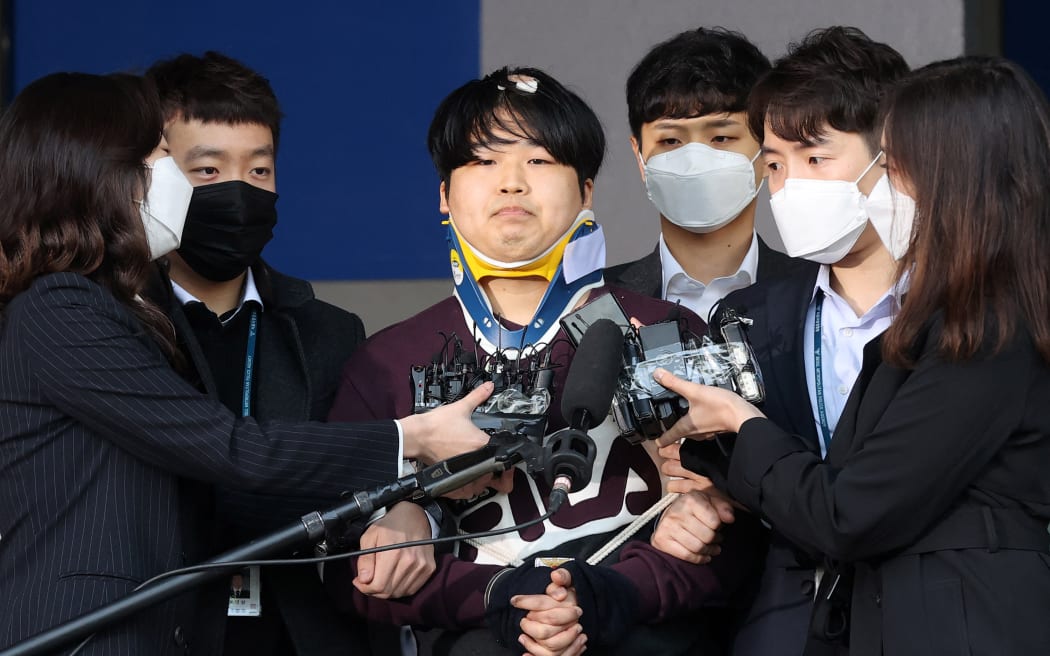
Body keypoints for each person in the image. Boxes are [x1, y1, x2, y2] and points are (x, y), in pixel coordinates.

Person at [0, 72, 493, 656]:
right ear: (99, 172)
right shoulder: (63, 306)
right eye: (164, 160)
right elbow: (227, 449)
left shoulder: (99, 302)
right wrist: (413, 438)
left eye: (258, 168)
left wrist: (410, 503)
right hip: (88, 630)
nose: (173, 184)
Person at [326, 67, 763, 655]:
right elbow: (338, 562)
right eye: (482, 161)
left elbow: (736, 539)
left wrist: (609, 593)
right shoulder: (384, 362)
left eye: (539, 161)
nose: (511, 184)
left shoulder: (666, 331)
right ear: (444, 195)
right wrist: (495, 595)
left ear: (586, 189)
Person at [653, 55, 1050, 655]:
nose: (882, 187)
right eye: (776, 165)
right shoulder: (940, 323)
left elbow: (849, 511)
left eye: (895, 165)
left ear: (959, 177)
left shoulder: (988, 330)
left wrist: (742, 422)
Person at [647, 26, 910, 656]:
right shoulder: (748, 320)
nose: (791, 186)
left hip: (927, 612)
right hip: (786, 625)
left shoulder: (967, 315)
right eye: (775, 164)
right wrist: (696, 501)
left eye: (816, 159)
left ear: (895, 156)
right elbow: (727, 488)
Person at [144, 50, 416, 656]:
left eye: (260, 171)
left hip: (303, 634)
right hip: (159, 630)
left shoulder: (329, 332)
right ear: (153, 175)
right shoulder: (112, 324)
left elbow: (367, 487)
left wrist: (400, 518)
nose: (240, 193)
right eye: (208, 172)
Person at [606, 26, 806, 323]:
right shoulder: (596, 300)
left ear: (768, 152)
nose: (694, 162)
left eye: (721, 139)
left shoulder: (814, 292)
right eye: (671, 141)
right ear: (640, 158)